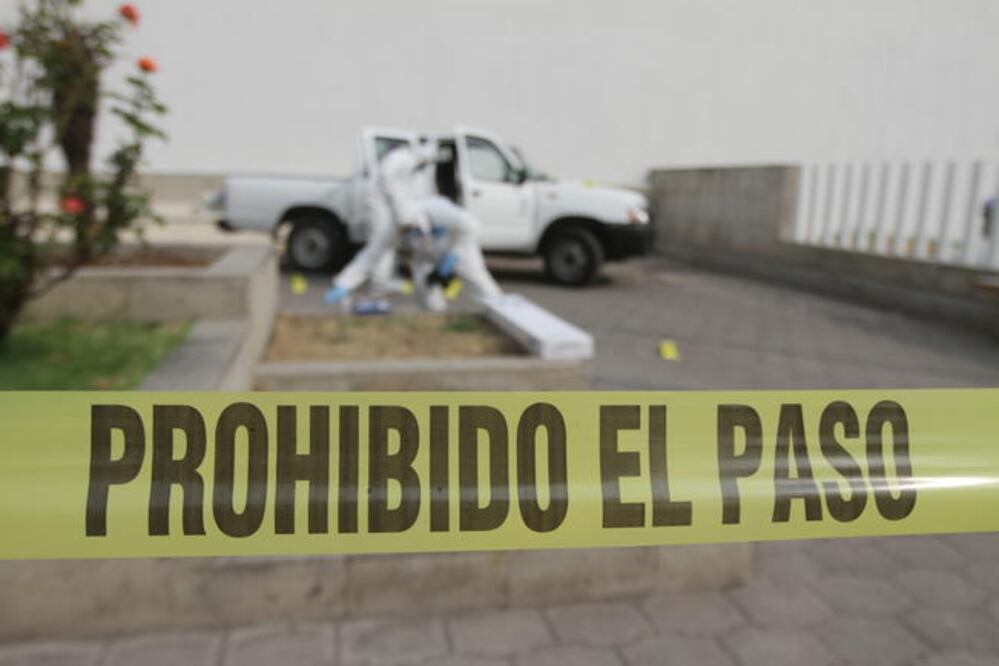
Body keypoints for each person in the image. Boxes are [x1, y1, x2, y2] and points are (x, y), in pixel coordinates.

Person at [325, 141, 501, 311]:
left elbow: (471, 226)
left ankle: (503, 311)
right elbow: (370, 256)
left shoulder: (438, 209)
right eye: (405, 230)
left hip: (456, 249)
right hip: (424, 256)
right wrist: (343, 284)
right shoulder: (394, 228)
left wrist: (451, 258)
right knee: (425, 288)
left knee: (480, 283)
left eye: (411, 228)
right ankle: (436, 316)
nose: (408, 233)